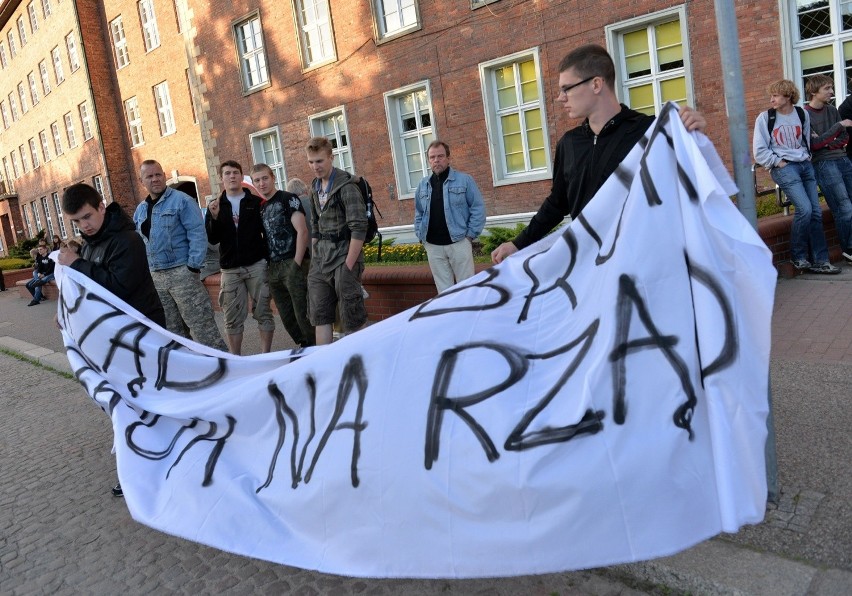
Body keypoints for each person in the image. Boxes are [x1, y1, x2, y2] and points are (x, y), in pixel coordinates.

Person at [491, 44, 707, 264]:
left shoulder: (649, 133)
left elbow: (688, 182)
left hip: (641, 262)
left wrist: (694, 135)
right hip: (587, 265)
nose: (560, 98)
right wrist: (518, 243)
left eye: (567, 88)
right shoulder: (569, 143)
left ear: (596, 84)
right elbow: (557, 204)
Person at [57, 183, 166, 499]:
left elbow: (117, 289)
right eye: (77, 221)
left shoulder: (127, 240)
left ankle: (145, 465)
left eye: (87, 216)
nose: (84, 225)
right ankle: (142, 460)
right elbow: (89, 293)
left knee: (138, 402)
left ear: (101, 206)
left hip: (141, 336)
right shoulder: (91, 243)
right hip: (117, 340)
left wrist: (76, 264)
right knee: (124, 403)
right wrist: (67, 310)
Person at [133, 160, 227, 350]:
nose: (155, 179)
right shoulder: (141, 210)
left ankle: (226, 370)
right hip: (157, 278)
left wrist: (192, 267)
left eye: (158, 174)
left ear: (164, 174)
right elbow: (141, 241)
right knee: (173, 334)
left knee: (203, 329)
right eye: (149, 176)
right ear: (141, 180)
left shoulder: (182, 201)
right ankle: (192, 372)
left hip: (182, 274)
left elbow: (197, 234)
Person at [754, 79, 840, 274]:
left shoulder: (801, 114)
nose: (771, 99)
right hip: (785, 168)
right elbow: (759, 151)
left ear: (787, 96)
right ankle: (798, 257)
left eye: (775, 95)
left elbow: (806, 139)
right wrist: (778, 162)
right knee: (805, 209)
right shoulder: (766, 118)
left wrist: (807, 156)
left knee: (816, 212)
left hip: (805, 165)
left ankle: (821, 260)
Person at [205, 160, 274, 355]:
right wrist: (215, 217)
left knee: (263, 312)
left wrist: (267, 259)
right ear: (221, 178)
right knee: (232, 316)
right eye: (227, 173)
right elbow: (212, 238)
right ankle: (236, 358)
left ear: (241, 175)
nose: (232, 176)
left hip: (256, 265)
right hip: (230, 268)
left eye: (235, 172)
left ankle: (265, 355)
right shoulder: (216, 205)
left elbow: (266, 233)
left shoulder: (255, 202)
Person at [305, 137, 368, 345]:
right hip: (321, 259)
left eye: (320, 161)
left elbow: (359, 228)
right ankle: (325, 363)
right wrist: (315, 257)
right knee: (320, 312)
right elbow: (314, 224)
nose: (316, 166)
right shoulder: (314, 187)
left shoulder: (347, 186)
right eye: (312, 162)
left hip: (344, 255)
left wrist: (349, 265)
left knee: (351, 312)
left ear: (331, 158)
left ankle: (362, 358)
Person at [251, 163, 315, 348]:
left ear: (273, 177)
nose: (261, 183)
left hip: (294, 262)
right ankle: (305, 347)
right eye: (257, 180)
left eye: (265, 178)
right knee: (287, 318)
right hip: (274, 267)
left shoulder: (288, 198)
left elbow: (302, 231)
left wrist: (296, 264)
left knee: (303, 314)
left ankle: (316, 350)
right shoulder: (262, 207)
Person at [414, 140, 486, 292]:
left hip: (459, 242)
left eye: (440, 156)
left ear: (448, 158)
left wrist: (469, 236)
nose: (436, 160)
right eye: (432, 157)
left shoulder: (465, 180)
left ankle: (469, 316)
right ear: (428, 161)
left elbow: (478, 208)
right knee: (444, 293)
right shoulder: (423, 185)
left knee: (467, 289)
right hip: (433, 246)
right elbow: (419, 212)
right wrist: (421, 236)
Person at [804, 75, 852, 265]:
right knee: (844, 208)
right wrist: (838, 126)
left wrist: (828, 140)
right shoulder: (804, 114)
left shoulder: (832, 110)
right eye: (827, 88)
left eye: (831, 87)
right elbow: (814, 145)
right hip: (824, 164)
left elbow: (845, 138)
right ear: (814, 92)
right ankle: (848, 249)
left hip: (843, 159)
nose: (832, 92)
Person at [26, 241, 55, 306]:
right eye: (38, 250)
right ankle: (40, 296)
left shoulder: (50, 256)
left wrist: (44, 275)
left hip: (51, 273)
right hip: (43, 274)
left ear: (45, 249)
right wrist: (39, 273)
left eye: (41, 249)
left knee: (40, 281)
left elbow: (52, 268)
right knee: (30, 283)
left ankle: (36, 300)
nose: (39, 251)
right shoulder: (40, 258)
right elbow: (39, 267)